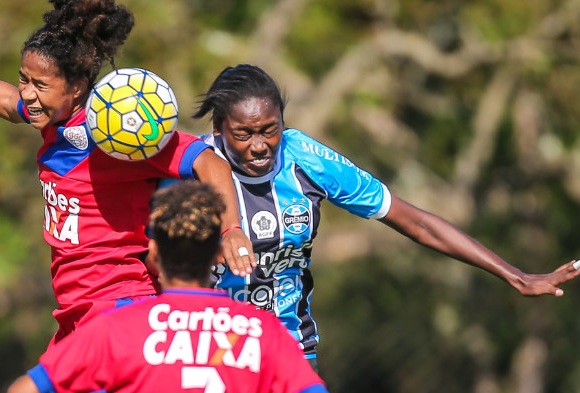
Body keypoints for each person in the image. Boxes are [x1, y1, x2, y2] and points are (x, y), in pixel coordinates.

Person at [0, 0, 255, 350]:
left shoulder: (117, 132)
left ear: (77, 87)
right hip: (75, 311)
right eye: (23, 78)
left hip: (119, 304)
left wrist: (231, 228)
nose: (27, 92)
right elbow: (5, 101)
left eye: (40, 84)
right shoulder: (53, 119)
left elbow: (208, 160)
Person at [182, 63, 580, 370]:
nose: (259, 146)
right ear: (219, 128)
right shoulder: (185, 169)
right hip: (208, 346)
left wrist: (516, 274)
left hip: (289, 348)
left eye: (270, 130)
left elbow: (417, 223)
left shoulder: (305, 159)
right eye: (244, 134)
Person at [6, 181, 332, 393]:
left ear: (155, 254)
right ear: (218, 255)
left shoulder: (116, 328)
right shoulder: (263, 330)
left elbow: (23, 391)